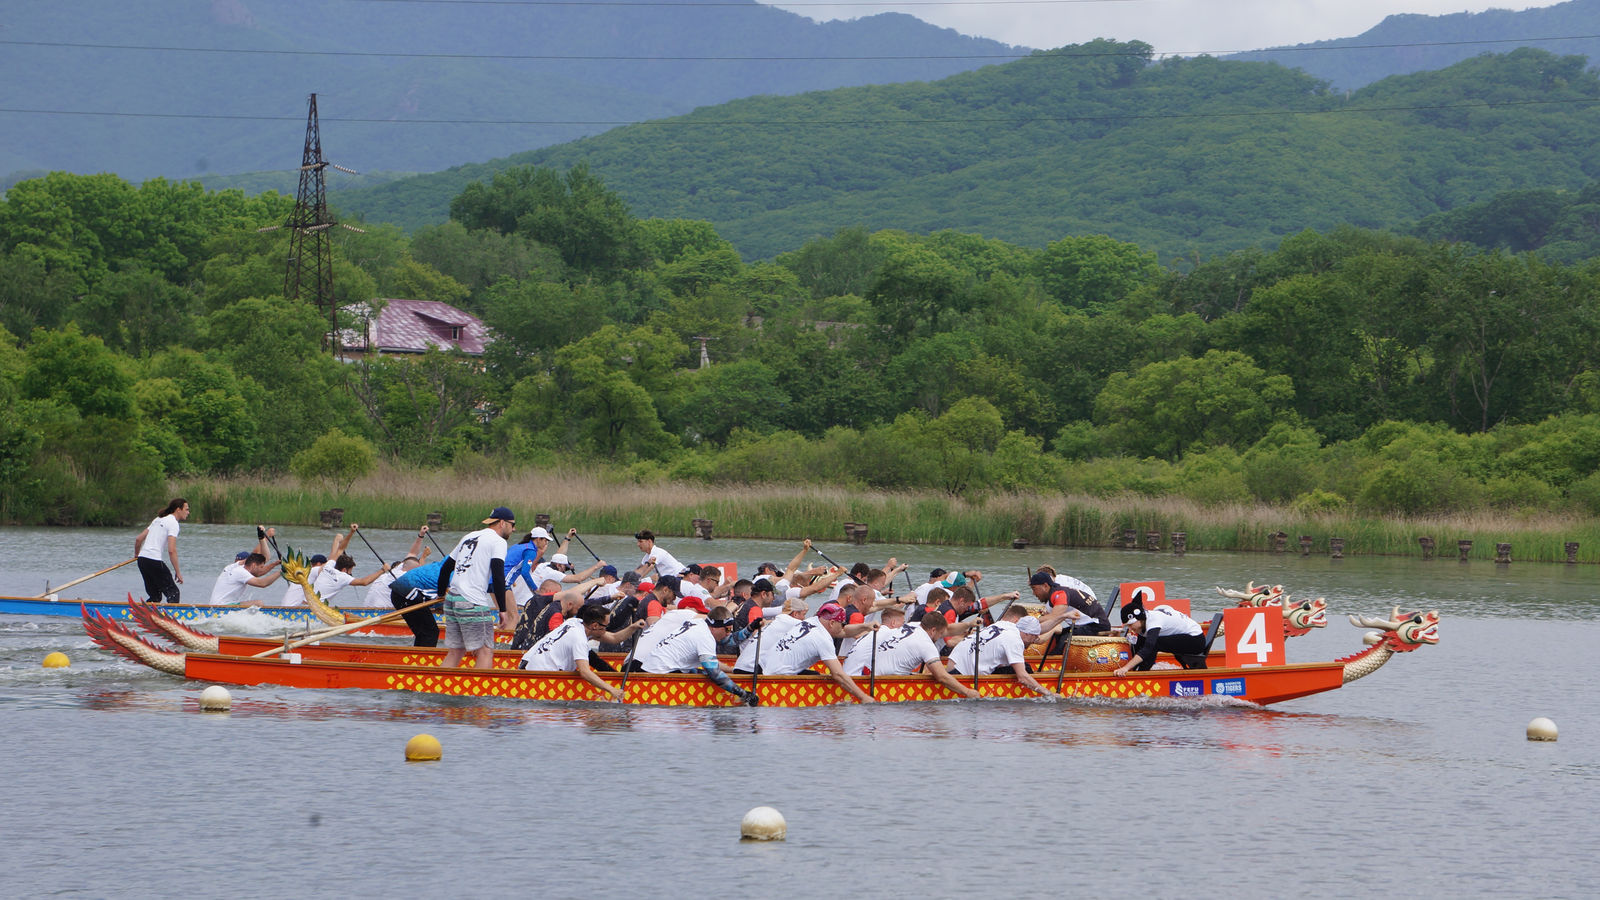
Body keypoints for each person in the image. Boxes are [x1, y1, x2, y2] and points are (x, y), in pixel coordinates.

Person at [436, 506, 517, 670]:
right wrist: (503, 609)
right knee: (485, 651)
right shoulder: (498, 541)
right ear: (502, 523)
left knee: (456, 651)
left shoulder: (469, 536)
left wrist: (440, 597)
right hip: (472, 601)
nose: (514, 529)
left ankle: (436, 686)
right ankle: (482, 695)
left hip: (452, 599)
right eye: (512, 524)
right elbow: (498, 576)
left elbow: (445, 569)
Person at [746, 601, 875, 704]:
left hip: (762, 668)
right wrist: (863, 697)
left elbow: (843, 632)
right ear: (832, 622)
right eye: (842, 623)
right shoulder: (822, 639)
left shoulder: (812, 621)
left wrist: (865, 626)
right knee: (829, 677)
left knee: (817, 674)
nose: (843, 627)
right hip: (775, 679)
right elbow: (838, 675)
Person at [839, 606, 979, 698]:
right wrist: (967, 692)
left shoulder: (913, 625)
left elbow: (947, 629)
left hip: (869, 673)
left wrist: (968, 624)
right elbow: (941, 677)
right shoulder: (926, 644)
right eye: (940, 633)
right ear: (933, 630)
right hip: (878, 685)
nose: (943, 635)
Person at [640, 604, 758, 705]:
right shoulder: (705, 637)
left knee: (700, 672)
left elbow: (730, 641)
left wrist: (750, 628)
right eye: (727, 630)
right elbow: (715, 675)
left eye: (730, 630)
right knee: (709, 674)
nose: (729, 633)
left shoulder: (699, 623)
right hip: (658, 677)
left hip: (652, 670)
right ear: (715, 627)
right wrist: (743, 694)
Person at [518, 605, 625, 702]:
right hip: (540, 677)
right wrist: (612, 690)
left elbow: (614, 638)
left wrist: (634, 627)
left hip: (526, 665)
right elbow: (585, 673)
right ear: (595, 626)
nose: (606, 630)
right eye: (605, 626)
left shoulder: (574, 622)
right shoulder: (579, 640)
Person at [947, 606, 1059, 698]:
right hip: (964, 679)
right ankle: (1025, 693)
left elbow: (1040, 629)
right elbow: (1023, 678)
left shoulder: (1003, 624)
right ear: (1027, 633)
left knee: (1018, 666)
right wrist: (1049, 694)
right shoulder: (1015, 639)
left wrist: (1063, 617)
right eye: (1034, 637)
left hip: (952, 666)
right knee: (1025, 669)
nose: (1035, 641)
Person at [1112, 599, 1207, 675]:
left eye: (1130, 625)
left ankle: (1141, 675)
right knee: (1144, 644)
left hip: (1196, 640)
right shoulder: (1143, 622)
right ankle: (1138, 672)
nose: (1130, 628)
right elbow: (1138, 648)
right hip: (1185, 637)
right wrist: (1125, 667)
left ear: (1140, 618)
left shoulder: (1154, 621)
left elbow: (1148, 648)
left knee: (1154, 644)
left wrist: (1126, 668)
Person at [133, 498, 189, 603]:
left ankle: (147, 616)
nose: (188, 512)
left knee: (155, 596)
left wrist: (137, 555)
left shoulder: (158, 519)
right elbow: (171, 550)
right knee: (174, 593)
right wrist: (178, 572)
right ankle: (172, 618)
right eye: (186, 509)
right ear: (178, 510)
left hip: (142, 560)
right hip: (154, 560)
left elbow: (139, 539)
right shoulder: (173, 523)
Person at [208, 532, 282, 607]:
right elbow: (262, 583)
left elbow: (259, 570)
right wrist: (281, 571)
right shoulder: (241, 572)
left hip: (216, 606)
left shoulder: (232, 567)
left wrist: (274, 564)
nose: (261, 570)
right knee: (258, 603)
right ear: (253, 565)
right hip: (222, 607)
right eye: (261, 567)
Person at [1028, 571, 1109, 638]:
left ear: (1045, 586)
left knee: (1064, 639)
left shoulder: (1060, 594)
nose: (1033, 593)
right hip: (1085, 624)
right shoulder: (1054, 594)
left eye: (1034, 589)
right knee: (1057, 637)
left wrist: (1029, 621)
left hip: (1097, 625)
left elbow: (1053, 618)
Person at [365, 528, 431, 607]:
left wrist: (421, 535)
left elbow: (412, 553)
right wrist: (423, 557)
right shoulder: (404, 577)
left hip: (367, 608)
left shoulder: (396, 570)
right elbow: (420, 573)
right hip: (381, 611)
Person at [390, 556, 447, 647]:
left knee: (424, 633)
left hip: (399, 592)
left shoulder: (443, 565)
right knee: (430, 632)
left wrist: (440, 606)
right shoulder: (455, 575)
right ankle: (423, 659)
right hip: (406, 594)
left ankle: (417, 656)